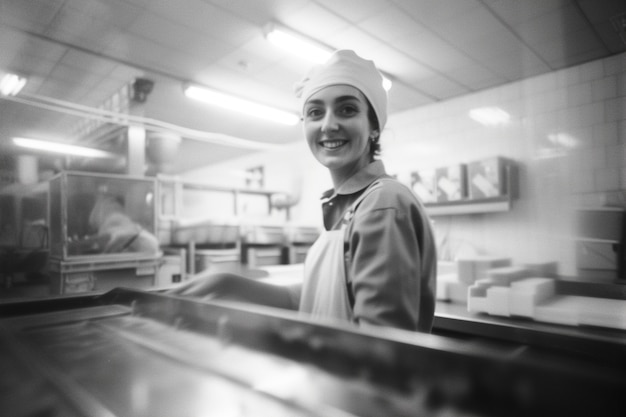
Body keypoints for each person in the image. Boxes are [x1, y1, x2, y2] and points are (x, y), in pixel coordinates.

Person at [169, 50, 437, 332]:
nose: (328, 125)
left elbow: (381, 344)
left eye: (347, 109)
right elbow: (312, 299)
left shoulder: (382, 204)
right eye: (315, 112)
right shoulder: (350, 206)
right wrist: (227, 284)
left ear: (373, 128)